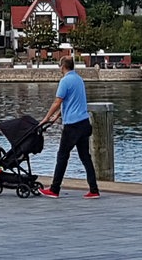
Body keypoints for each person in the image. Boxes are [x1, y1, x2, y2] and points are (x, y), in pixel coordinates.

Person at [38, 56, 100, 199]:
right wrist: (58, 116)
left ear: (62, 66)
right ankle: (94, 190)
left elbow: (57, 101)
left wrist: (46, 118)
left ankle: (54, 189)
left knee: (62, 156)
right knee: (85, 157)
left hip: (72, 125)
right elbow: (71, 101)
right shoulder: (79, 80)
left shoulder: (64, 81)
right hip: (84, 123)